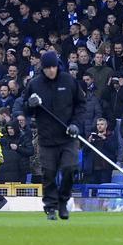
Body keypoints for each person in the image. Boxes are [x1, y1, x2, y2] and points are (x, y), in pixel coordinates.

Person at [25, 51, 85, 220]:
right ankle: (50, 207)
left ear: (57, 66)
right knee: (49, 174)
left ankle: (63, 201)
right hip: (47, 138)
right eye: (47, 68)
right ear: (42, 69)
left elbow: (81, 105)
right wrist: (31, 105)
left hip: (68, 136)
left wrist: (75, 124)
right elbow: (25, 109)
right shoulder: (34, 85)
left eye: (53, 67)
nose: (51, 70)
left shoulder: (69, 81)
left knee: (69, 168)